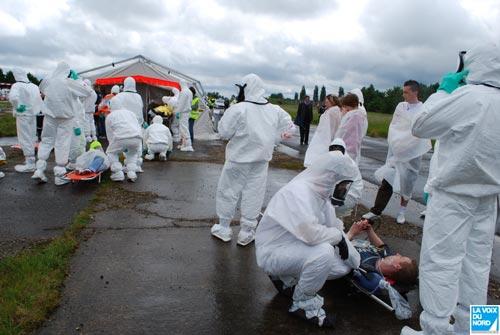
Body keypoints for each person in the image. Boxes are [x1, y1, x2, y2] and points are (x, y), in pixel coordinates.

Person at [401, 42, 500, 335]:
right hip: (488, 198)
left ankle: (434, 330)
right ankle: (480, 330)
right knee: (477, 268)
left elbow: (421, 124)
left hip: (453, 196)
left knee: (441, 264)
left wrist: (444, 91)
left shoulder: (470, 97)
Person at [255, 151, 360, 327]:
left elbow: (335, 228)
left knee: (341, 267)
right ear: (331, 177)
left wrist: (355, 259)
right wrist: (337, 238)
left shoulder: (322, 197)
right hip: (273, 251)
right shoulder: (298, 192)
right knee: (324, 254)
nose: (344, 190)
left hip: (293, 247)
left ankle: (287, 279)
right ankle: (303, 304)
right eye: (343, 185)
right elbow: (311, 235)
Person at [211, 73, 296, 246]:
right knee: (254, 194)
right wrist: (277, 136)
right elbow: (289, 126)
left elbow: (223, 133)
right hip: (260, 161)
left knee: (228, 191)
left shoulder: (239, 108)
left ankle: (224, 228)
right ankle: (247, 232)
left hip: (237, 160)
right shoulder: (275, 109)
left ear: (245, 88)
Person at [363, 81, 431, 224]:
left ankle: (402, 212)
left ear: (415, 92)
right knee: (387, 179)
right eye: (403, 91)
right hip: (396, 151)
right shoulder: (400, 106)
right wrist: (397, 142)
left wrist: (407, 142)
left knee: (407, 183)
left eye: (406, 92)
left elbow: (420, 131)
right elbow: (394, 126)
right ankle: (376, 210)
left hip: (412, 153)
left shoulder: (423, 109)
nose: (403, 94)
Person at [32, 62, 92, 185]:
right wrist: (79, 80)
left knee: (46, 141)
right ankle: (59, 175)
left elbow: (41, 87)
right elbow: (87, 92)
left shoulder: (49, 80)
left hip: (49, 116)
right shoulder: (69, 82)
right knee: (62, 143)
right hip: (66, 118)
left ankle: (39, 169)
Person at [346, 219, 418, 286]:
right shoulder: (386, 258)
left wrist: (351, 233)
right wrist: (369, 230)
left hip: (343, 242)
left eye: (401, 257)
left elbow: (338, 248)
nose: (397, 254)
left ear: (397, 266)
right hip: (352, 240)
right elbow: (381, 245)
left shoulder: (367, 270)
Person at [8, 68, 43, 173]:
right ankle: (31, 160)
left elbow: (13, 98)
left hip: (22, 114)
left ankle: (30, 163)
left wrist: (17, 106)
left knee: (24, 137)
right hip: (33, 115)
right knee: (32, 136)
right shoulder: (34, 86)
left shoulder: (17, 85)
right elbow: (39, 100)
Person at [105, 98, 142, 182]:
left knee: (111, 153)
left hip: (120, 138)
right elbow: (138, 125)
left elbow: (109, 134)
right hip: (136, 137)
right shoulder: (131, 113)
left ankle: (118, 173)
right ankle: (132, 172)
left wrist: (113, 146)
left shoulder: (110, 116)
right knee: (132, 153)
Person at [112, 77, 144, 172]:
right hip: (137, 124)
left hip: (124, 124)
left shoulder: (120, 96)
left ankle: (126, 167)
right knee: (137, 146)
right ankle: (136, 165)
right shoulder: (138, 96)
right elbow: (141, 109)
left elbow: (114, 109)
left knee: (125, 146)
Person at [304, 94, 342, 167]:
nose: (325, 103)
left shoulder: (332, 111)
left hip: (326, 137)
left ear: (332, 102)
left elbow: (329, 127)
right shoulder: (335, 110)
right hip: (330, 137)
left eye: (327, 102)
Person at [335, 93, 368, 164]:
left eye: (342, 108)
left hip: (347, 155)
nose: (341, 111)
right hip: (344, 152)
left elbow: (352, 140)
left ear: (347, 108)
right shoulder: (353, 116)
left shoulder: (354, 117)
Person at [177, 81, 194, 151]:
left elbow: (181, 103)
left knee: (184, 129)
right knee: (183, 128)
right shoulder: (189, 92)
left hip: (183, 112)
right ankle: (184, 144)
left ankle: (188, 145)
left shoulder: (184, 92)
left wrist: (177, 111)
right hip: (186, 112)